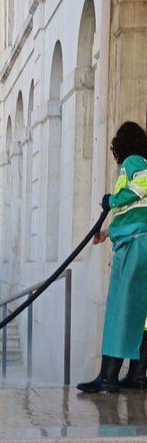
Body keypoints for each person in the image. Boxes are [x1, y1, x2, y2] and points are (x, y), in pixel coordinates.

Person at [77, 121, 147, 393]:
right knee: (142, 315)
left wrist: (112, 200)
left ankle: (108, 377)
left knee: (120, 309)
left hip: (133, 246)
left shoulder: (133, 162)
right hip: (141, 239)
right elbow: (137, 211)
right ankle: (137, 375)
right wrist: (107, 232)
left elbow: (141, 187)